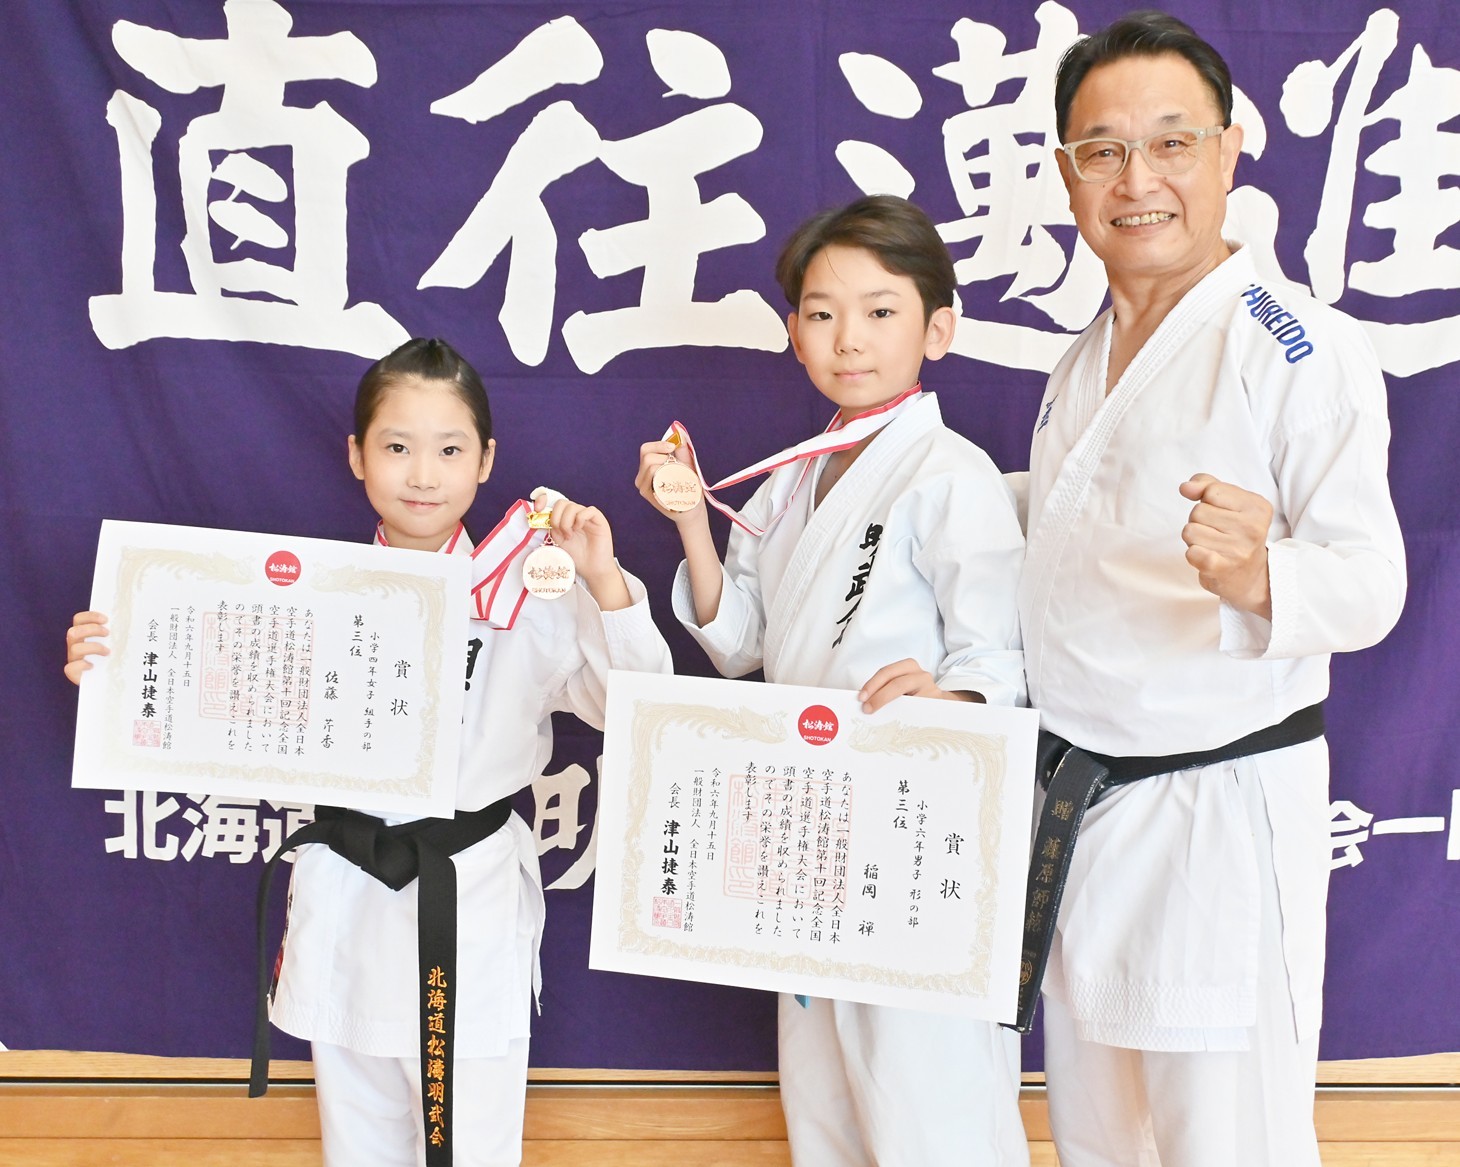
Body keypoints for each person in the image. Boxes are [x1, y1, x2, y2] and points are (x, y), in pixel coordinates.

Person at [65, 337, 672, 1167]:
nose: (423, 474)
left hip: (468, 900)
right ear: (356, 456)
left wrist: (604, 581)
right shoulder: (305, 599)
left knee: (473, 1149)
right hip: (348, 898)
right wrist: (115, 662)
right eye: (396, 447)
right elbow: (194, 697)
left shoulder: (537, 588)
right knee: (356, 1146)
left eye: (449, 449)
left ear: (487, 460)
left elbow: (640, 712)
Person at [1019, 12, 1407, 1166]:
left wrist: (1258, 572)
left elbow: (1370, 581)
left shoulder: (1293, 347)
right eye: (1102, 151)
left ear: (1229, 152)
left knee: (1225, 1144)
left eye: (1169, 143)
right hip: (1082, 809)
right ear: (1065, 174)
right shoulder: (1084, 354)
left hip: (1214, 821)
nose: (1136, 180)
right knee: (1101, 1140)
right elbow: (1069, 535)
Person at [636, 195, 1029, 1166]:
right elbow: (739, 643)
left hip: (911, 821)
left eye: (879, 310)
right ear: (793, 330)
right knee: (823, 1103)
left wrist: (953, 702)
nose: (847, 338)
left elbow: (997, 655)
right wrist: (690, 523)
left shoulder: (950, 471)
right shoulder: (789, 479)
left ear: (938, 329)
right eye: (821, 313)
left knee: (925, 1101)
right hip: (805, 823)